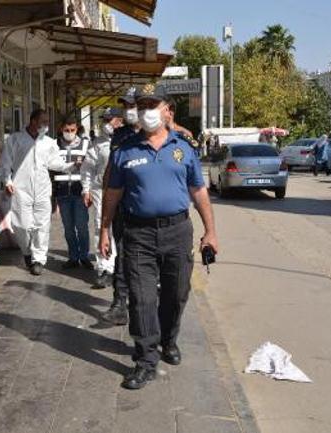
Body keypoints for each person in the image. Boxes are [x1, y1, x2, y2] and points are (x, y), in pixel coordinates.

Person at [100, 89, 218, 390]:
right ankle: (145, 360)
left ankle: (168, 340)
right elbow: (112, 193)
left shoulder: (184, 147)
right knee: (141, 299)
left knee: (176, 294)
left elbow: (198, 191)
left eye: (153, 105)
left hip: (178, 232)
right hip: (137, 233)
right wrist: (103, 229)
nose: (146, 111)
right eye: (142, 106)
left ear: (168, 110)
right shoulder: (125, 149)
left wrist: (211, 231)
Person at [0, 109, 75, 276]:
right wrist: (7, 180)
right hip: (21, 189)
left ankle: (39, 259)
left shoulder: (49, 142)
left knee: (42, 225)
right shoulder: (15, 139)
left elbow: (54, 162)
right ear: (33, 121)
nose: (46, 125)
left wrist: (69, 166)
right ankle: (27, 252)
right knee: (22, 225)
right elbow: (5, 162)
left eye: (48, 121)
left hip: (42, 188)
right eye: (43, 121)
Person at [98, 91, 140, 326]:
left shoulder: (155, 134)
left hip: (145, 209)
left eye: (132, 105)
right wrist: (106, 206)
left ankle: (142, 303)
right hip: (122, 207)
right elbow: (111, 171)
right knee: (122, 254)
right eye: (125, 106)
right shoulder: (120, 135)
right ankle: (119, 303)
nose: (128, 110)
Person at [82, 108, 123, 289]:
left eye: (109, 119)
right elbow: (87, 168)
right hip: (101, 190)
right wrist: (86, 189)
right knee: (101, 226)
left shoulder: (129, 140)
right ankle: (105, 268)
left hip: (124, 191)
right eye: (104, 119)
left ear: (120, 120)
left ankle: (121, 266)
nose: (106, 123)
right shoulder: (97, 143)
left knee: (122, 229)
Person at [54, 116, 91, 270]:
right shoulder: (54, 145)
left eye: (72, 130)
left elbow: (91, 168)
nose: (69, 133)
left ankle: (84, 256)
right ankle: (73, 257)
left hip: (79, 192)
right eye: (66, 130)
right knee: (68, 228)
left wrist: (88, 191)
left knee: (82, 227)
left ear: (77, 129)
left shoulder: (85, 144)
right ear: (61, 129)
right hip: (62, 193)